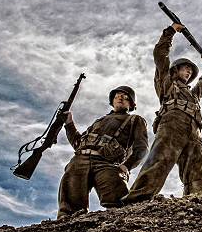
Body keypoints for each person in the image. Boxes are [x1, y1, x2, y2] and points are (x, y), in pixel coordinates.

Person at [122, 23, 202, 204]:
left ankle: (193, 201)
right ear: (175, 70)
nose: (188, 72)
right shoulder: (166, 83)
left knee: (195, 166)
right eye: (185, 68)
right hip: (172, 122)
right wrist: (170, 32)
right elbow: (160, 55)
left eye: (190, 71)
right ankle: (137, 199)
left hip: (194, 129)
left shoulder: (192, 94)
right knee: (161, 159)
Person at [58, 86, 148, 218]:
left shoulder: (135, 120)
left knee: (121, 203)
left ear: (131, 104)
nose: (120, 98)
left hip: (107, 163)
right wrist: (69, 123)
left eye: (125, 97)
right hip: (79, 160)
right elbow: (78, 143)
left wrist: (127, 166)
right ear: (112, 101)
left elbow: (142, 148)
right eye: (117, 95)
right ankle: (67, 227)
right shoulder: (98, 122)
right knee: (69, 209)